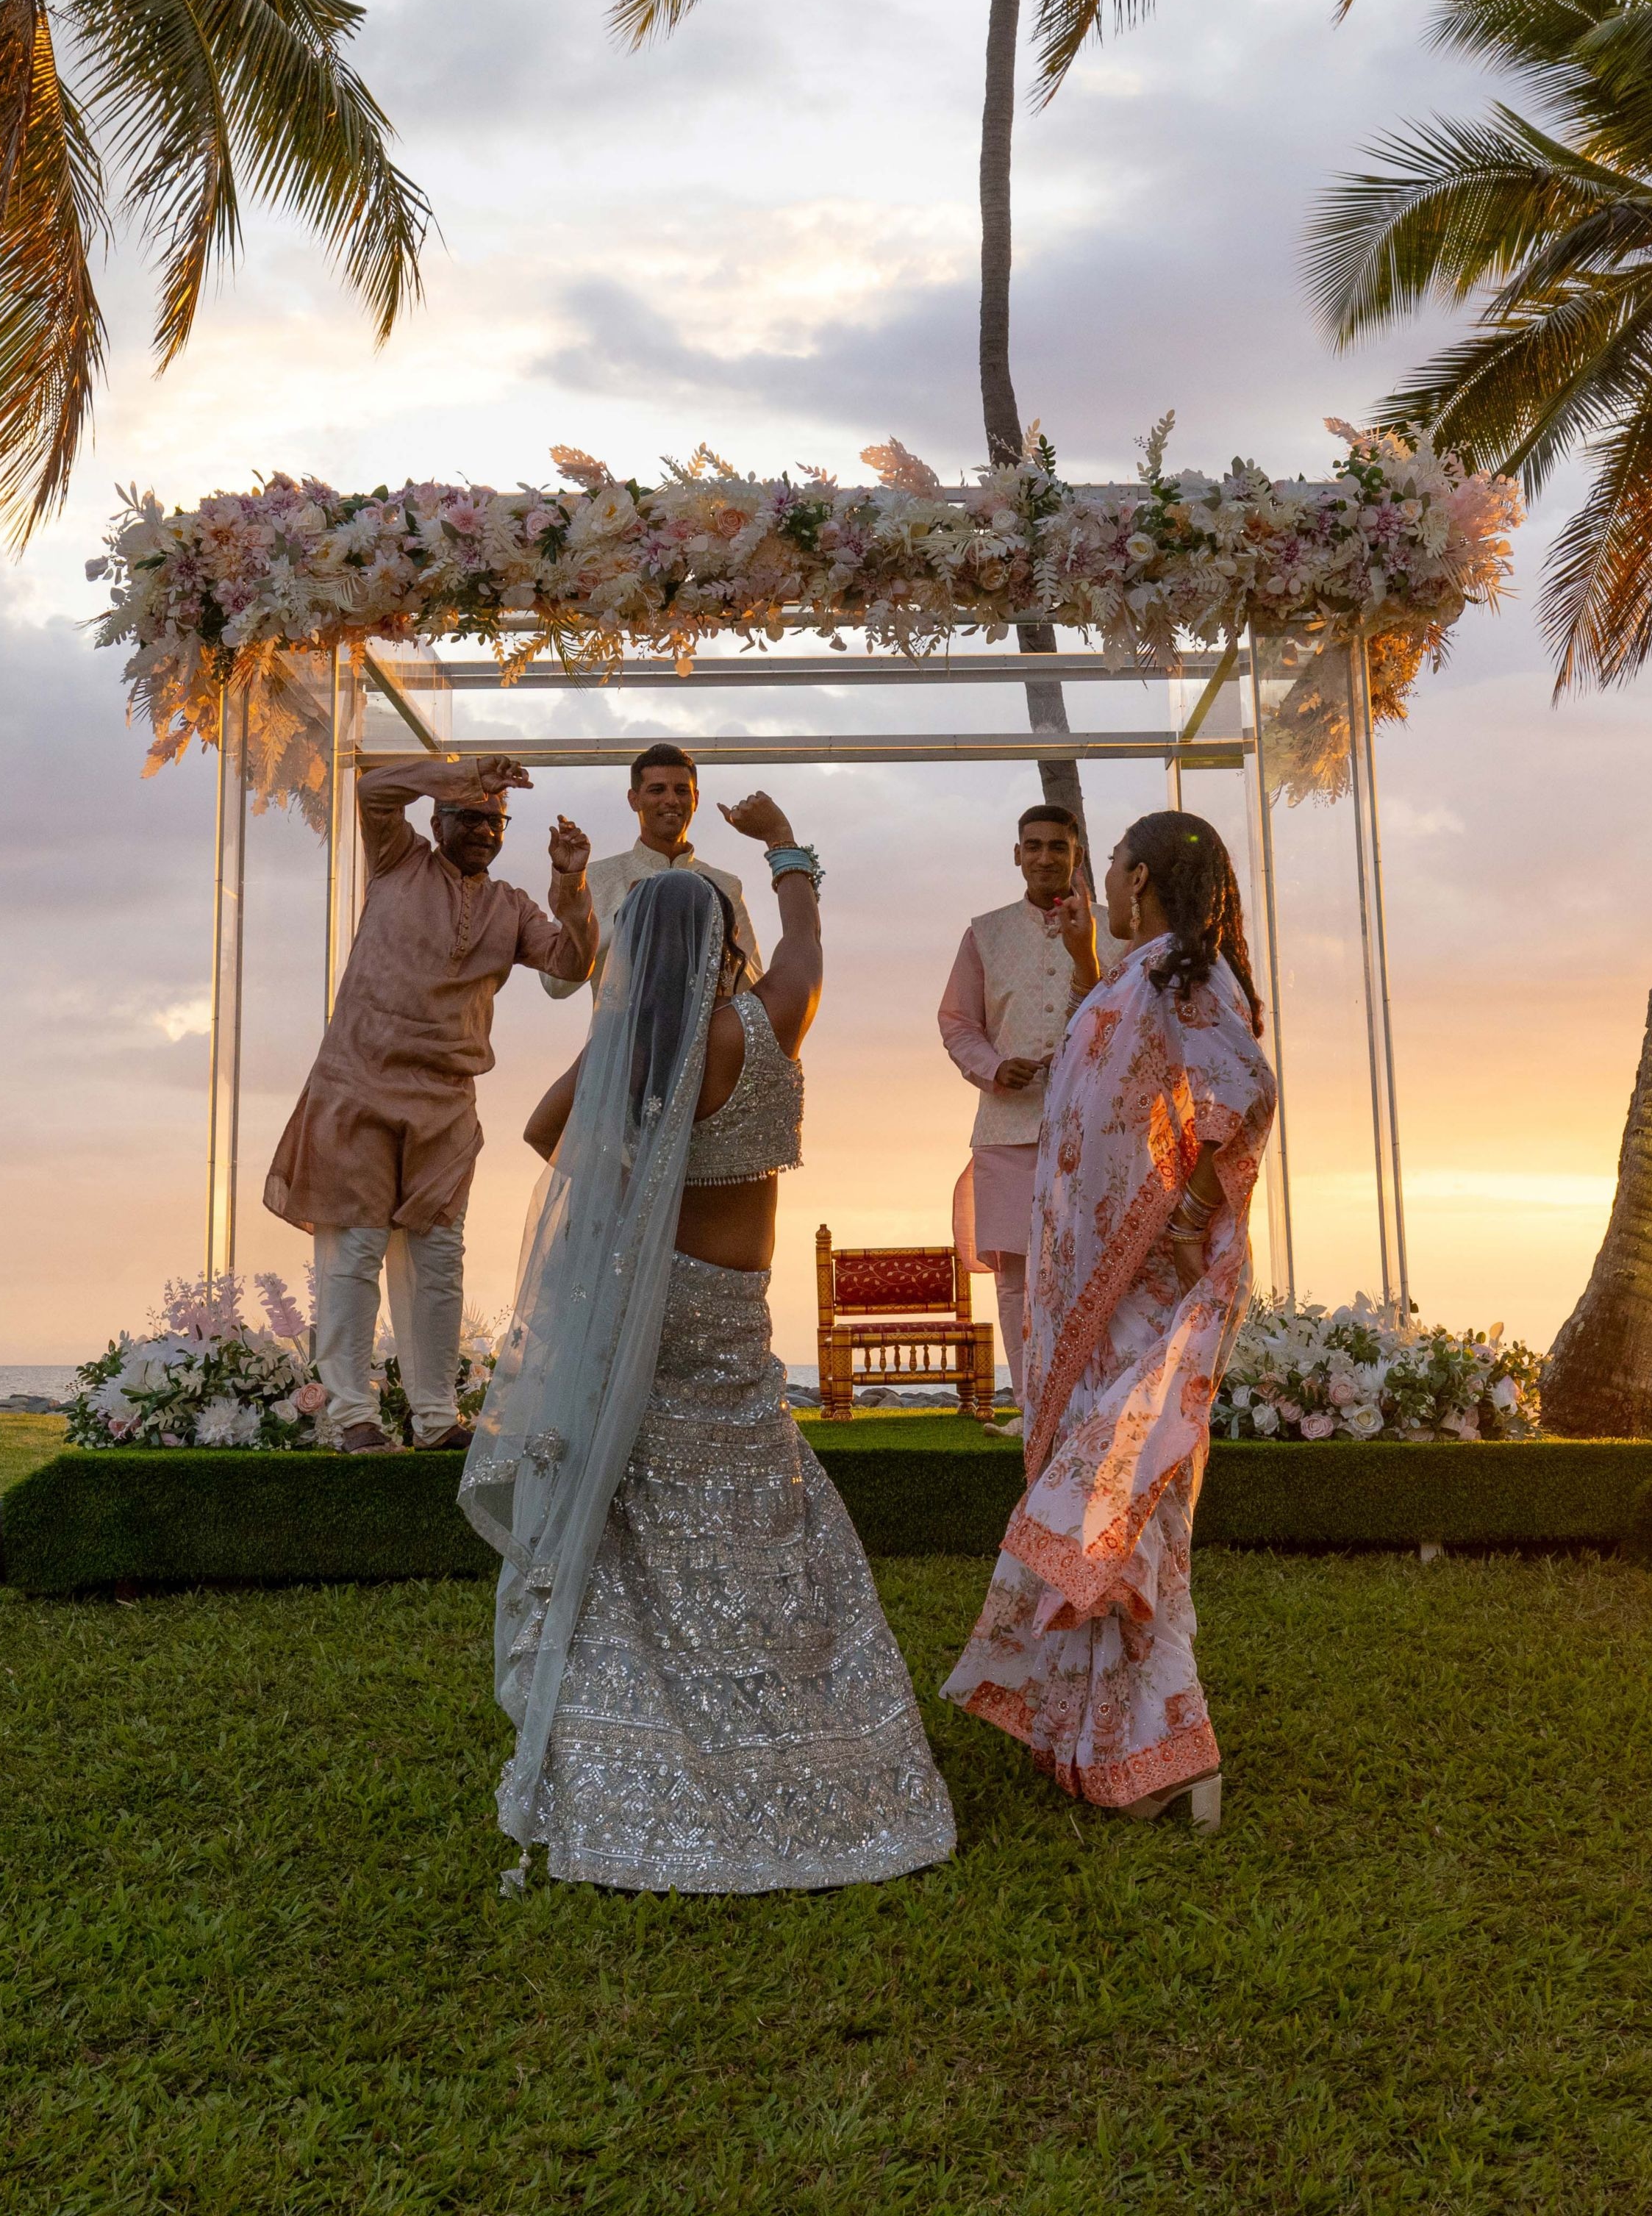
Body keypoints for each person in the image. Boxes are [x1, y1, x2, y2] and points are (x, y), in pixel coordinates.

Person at [463, 793, 956, 1895]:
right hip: (737, 1312)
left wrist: (634, 1177)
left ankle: (641, 1736)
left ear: (636, 953)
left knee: (644, 1514)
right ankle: (801, 1732)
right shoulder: (773, 1023)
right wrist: (784, 852)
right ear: (730, 941)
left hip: (650, 1306)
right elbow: (807, 944)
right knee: (760, 1496)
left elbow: (543, 1134)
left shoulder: (634, 1045)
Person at [940, 810, 1276, 1831]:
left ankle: (1173, 1751)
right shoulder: (1138, 972)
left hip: (1142, 1288)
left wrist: (1183, 1209)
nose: (1106, 879)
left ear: (1139, 878)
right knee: (1107, 1509)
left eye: (1115, 865)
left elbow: (1247, 1091)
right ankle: (1096, 1736)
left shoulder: (1185, 977)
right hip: (1097, 1292)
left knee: (1131, 1510)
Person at [263, 754, 597, 1453]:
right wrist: (463, 772)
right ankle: (352, 1417)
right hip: (358, 1083)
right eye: (468, 817)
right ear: (438, 821)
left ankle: (437, 1420)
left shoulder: (511, 906)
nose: (483, 831)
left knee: (438, 1256)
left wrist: (571, 882)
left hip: (446, 1101)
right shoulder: (399, 860)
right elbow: (372, 788)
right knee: (355, 1248)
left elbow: (571, 963)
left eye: (495, 822)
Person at [937, 803, 1098, 1428]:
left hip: (1092, 1131)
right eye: (1033, 846)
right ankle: (1033, 1412)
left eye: (1057, 847)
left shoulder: (1112, 932)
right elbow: (957, 1022)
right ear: (1017, 854)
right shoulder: (986, 934)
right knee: (1014, 1277)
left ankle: (1088, 1407)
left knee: (1088, 1266)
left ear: (1076, 855)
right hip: (1007, 1128)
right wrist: (995, 1066)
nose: (1044, 858)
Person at [540, 742, 759, 1002]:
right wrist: (626, 915)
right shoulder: (595, 879)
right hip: (618, 1030)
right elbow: (554, 983)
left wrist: (716, 936)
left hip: (709, 1030)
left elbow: (752, 991)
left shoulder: (725, 885)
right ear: (634, 799)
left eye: (681, 790)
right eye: (657, 790)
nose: (671, 800)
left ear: (696, 799)